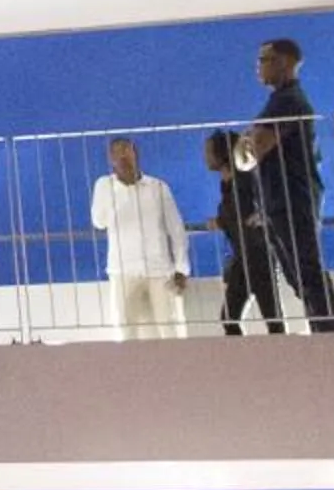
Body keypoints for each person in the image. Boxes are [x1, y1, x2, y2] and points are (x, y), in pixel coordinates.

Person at [238, 38, 334, 332]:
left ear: (283, 62)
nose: (257, 67)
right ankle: (325, 327)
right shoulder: (280, 100)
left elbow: (252, 151)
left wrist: (247, 141)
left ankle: (330, 331)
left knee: (305, 269)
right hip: (279, 199)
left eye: (263, 60)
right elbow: (250, 148)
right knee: (297, 271)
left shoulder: (288, 100)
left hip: (292, 197)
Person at [89, 136, 188, 340]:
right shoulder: (104, 186)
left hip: (160, 270)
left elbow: (176, 228)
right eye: (116, 153)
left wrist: (181, 268)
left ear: (136, 153)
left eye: (126, 150)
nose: (122, 156)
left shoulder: (158, 187)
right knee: (126, 330)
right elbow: (99, 221)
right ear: (110, 159)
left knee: (169, 330)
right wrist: (116, 192)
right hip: (123, 270)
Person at [203, 128, 284, 337]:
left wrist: (262, 214)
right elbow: (235, 214)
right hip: (244, 257)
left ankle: (282, 362)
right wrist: (220, 221)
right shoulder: (227, 183)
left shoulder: (245, 179)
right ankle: (243, 362)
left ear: (222, 153)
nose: (205, 157)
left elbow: (261, 203)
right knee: (230, 318)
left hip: (259, 255)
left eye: (208, 151)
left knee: (273, 319)